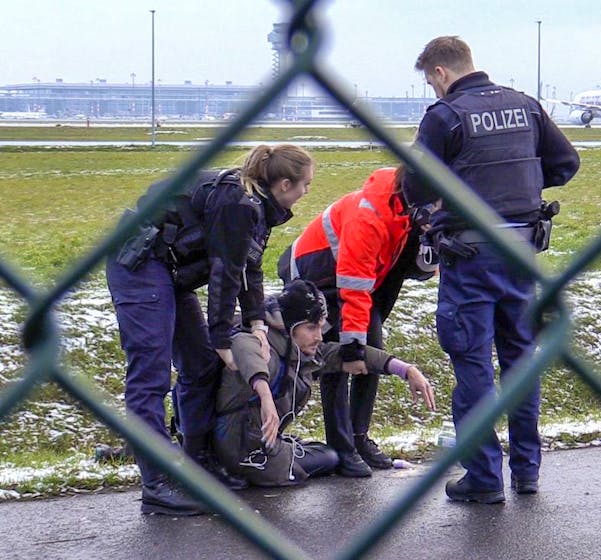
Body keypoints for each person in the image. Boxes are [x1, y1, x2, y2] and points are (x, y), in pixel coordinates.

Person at [405, 36, 580, 504]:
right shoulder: (525, 106)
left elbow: (414, 184)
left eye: (430, 81)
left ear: (441, 73)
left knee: (473, 366)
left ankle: (484, 478)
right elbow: (566, 163)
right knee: (521, 361)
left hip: (469, 258)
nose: (433, 90)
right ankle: (527, 471)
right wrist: (518, 184)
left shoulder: (445, 116)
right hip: (522, 254)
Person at [106, 144, 314, 516]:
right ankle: (158, 482)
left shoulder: (258, 207)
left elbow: (248, 267)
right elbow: (224, 275)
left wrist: (256, 324)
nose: (306, 193)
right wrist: (221, 338)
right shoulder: (239, 204)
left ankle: (196, 459)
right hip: (139, 264)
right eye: (305, 185)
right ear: (284, 184)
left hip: (171, 271)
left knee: (200, 365)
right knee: (150, 376)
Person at [277, 166, 436, 477]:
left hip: (359, 281)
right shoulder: (369, 217)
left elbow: (399, 271)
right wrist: (352, 349)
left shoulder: (406, 204)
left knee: (372, 349)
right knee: (340, 358)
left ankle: (359, 437)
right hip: (318, 275)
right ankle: (341, 446)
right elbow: (353, 288)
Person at [213, 279, 436, 487]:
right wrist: (264, 394)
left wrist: (407, 370)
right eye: (311, 328)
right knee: (325, 460)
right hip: (240, 448)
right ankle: (244, 470)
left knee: (326, 454)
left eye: (320, 327)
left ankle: (279, 453)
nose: (319, 336)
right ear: (290, 327)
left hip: (257, 441)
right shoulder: (263, 346)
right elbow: (245, 348)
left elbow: (346, 354)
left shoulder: (299, 351)